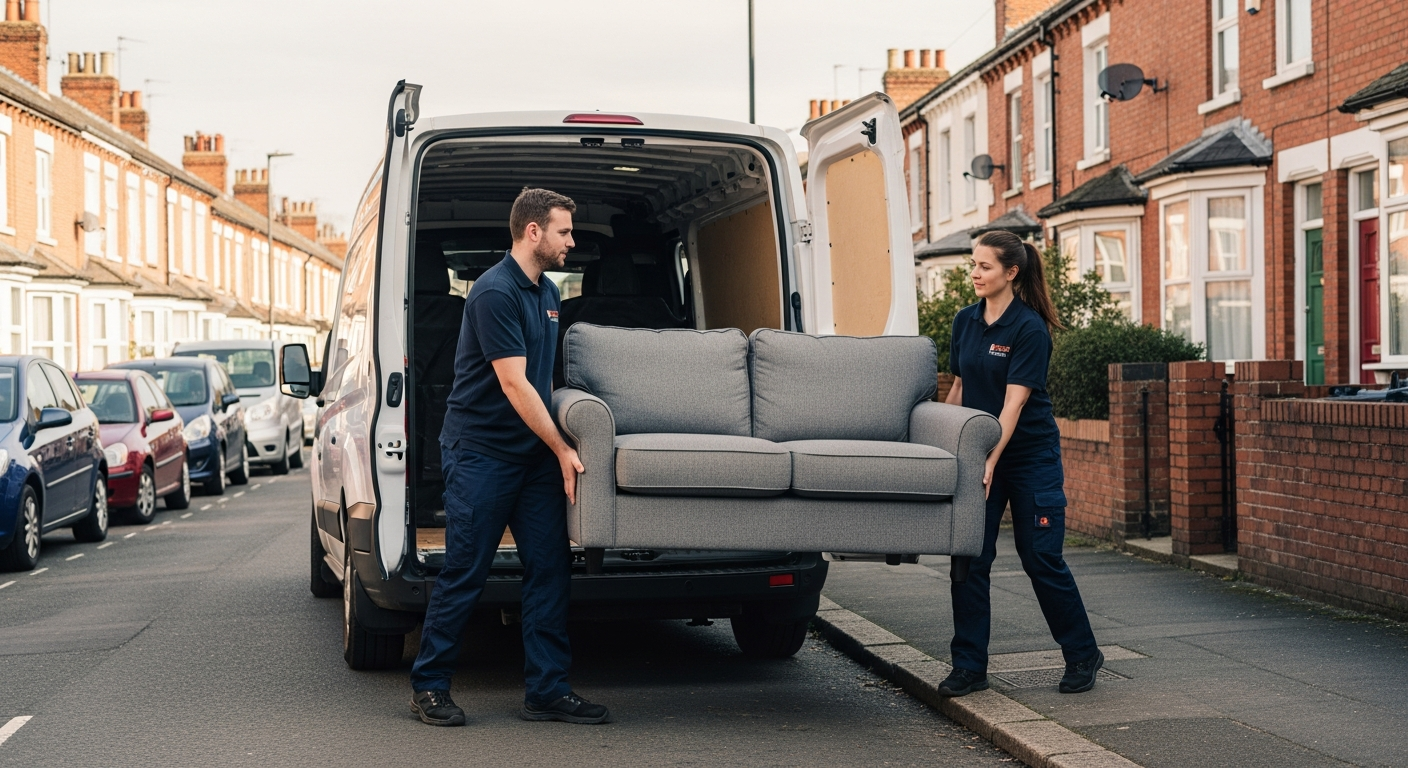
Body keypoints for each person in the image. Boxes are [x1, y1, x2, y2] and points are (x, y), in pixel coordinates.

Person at [409, 187, 610, 726]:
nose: (571, 241)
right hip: (481, 455)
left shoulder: (546, 291)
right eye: (564, 232)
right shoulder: (494, 292)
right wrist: (563, 448)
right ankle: (429, 685)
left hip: (530, 458)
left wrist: (556, 445)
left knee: (549, 569)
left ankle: (547, 690)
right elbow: (516, 384)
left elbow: (544, 379)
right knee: (465, 571)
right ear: (534, 232)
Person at [938, 230, 1102, 697]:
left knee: (1041, 558)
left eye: (984, 266)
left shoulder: (1029, 328)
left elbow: (1012, 406)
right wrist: (951, 449)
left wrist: (990, 458)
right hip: (981, 456)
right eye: (973, 264)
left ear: (1011, 272)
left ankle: (1082, 653)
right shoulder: (965, 322)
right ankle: (969, 666)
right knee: (969, 557)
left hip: (1030, 458)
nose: (974, 273)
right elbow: (959, 388)